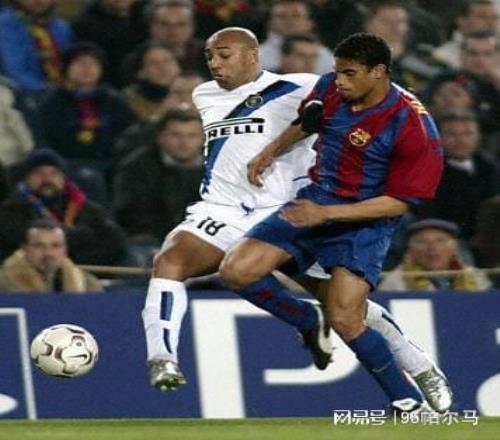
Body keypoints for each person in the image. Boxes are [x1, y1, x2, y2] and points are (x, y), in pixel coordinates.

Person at [141, 27, 452, 414]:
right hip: (296, 202)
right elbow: (309, 120)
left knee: (346, 313)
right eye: (337, 71)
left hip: (356, 216)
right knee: (226, 269)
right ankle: (169, 356)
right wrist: (269, 152)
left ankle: (415, 379)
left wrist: (328, 213)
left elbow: (400, 202)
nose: (338, 81)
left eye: (349, 74)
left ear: (378, 73)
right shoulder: (321, 87)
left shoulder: (411, 127)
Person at [0, 149, 127, 266]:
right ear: (27, 179)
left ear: (64, 179)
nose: (47, 179)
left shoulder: (88, 209)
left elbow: (115, 243)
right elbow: (17, 243)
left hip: (85, 276)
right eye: (38, 173)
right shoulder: (12, 210)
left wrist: (69, 263)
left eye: (54, 173)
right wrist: (82, 237)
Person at [379, 219, 491, 291]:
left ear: (455, 247)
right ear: (411, 249)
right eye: (422, 242)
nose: (432, 248)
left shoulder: (475, 277)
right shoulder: (395, 281)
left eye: (440, 241)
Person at [0, 219, 103, 293]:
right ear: (24, 249)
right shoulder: (3, 284)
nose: (48, 253)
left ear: (65, 250)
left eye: (56, 246)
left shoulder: (87, 285)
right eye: (38, 246)